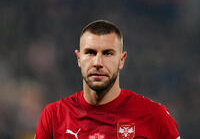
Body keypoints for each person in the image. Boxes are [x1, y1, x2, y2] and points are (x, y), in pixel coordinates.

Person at [35, 20, 180, 139]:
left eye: (108, 54)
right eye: (90, 53)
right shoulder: (54, 116)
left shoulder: (154, 116)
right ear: (79, 59)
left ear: (122, 60)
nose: (98, 62)